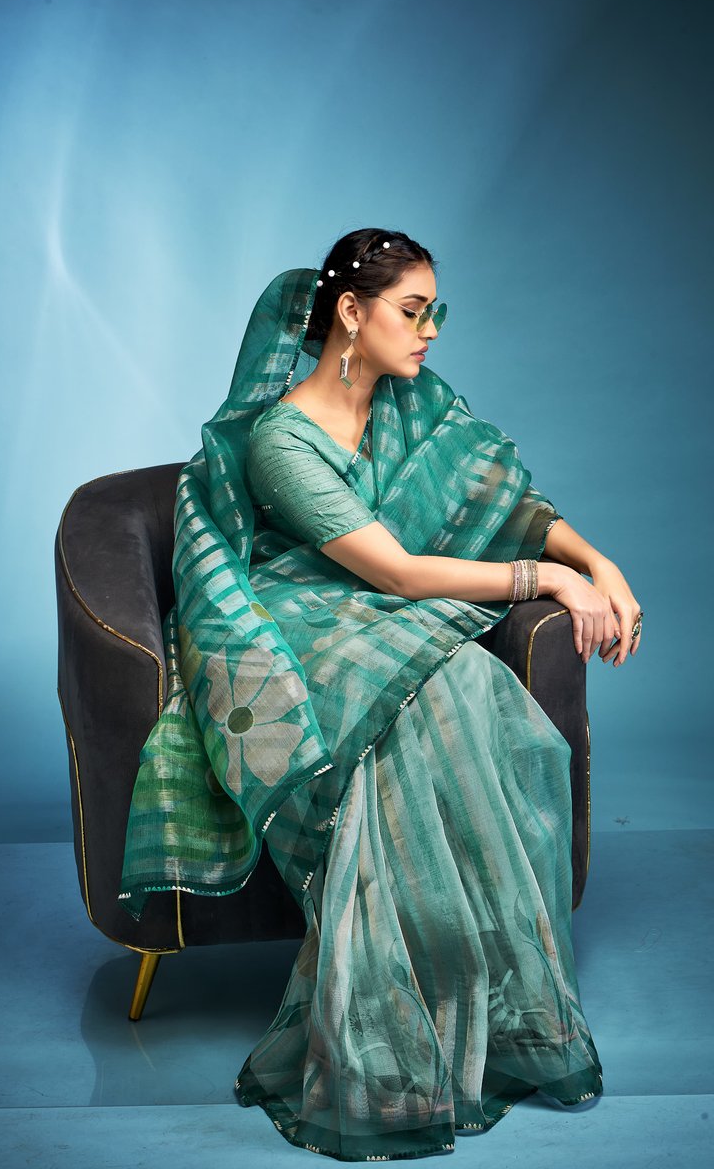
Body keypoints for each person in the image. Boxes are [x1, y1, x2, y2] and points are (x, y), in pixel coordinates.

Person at [118, 228, 642, 1161]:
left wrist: (600, 564)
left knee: (468, 682)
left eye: (436, 311)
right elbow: (396, 573)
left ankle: (480, 996)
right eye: (413, 311)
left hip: (389, 614)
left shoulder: (414, 404)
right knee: (422, 697)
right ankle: (380, 1039)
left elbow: (512, 504)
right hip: (304, 620)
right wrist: (550, 581)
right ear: (352, 313)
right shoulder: (282, 439)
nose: (431, 331)